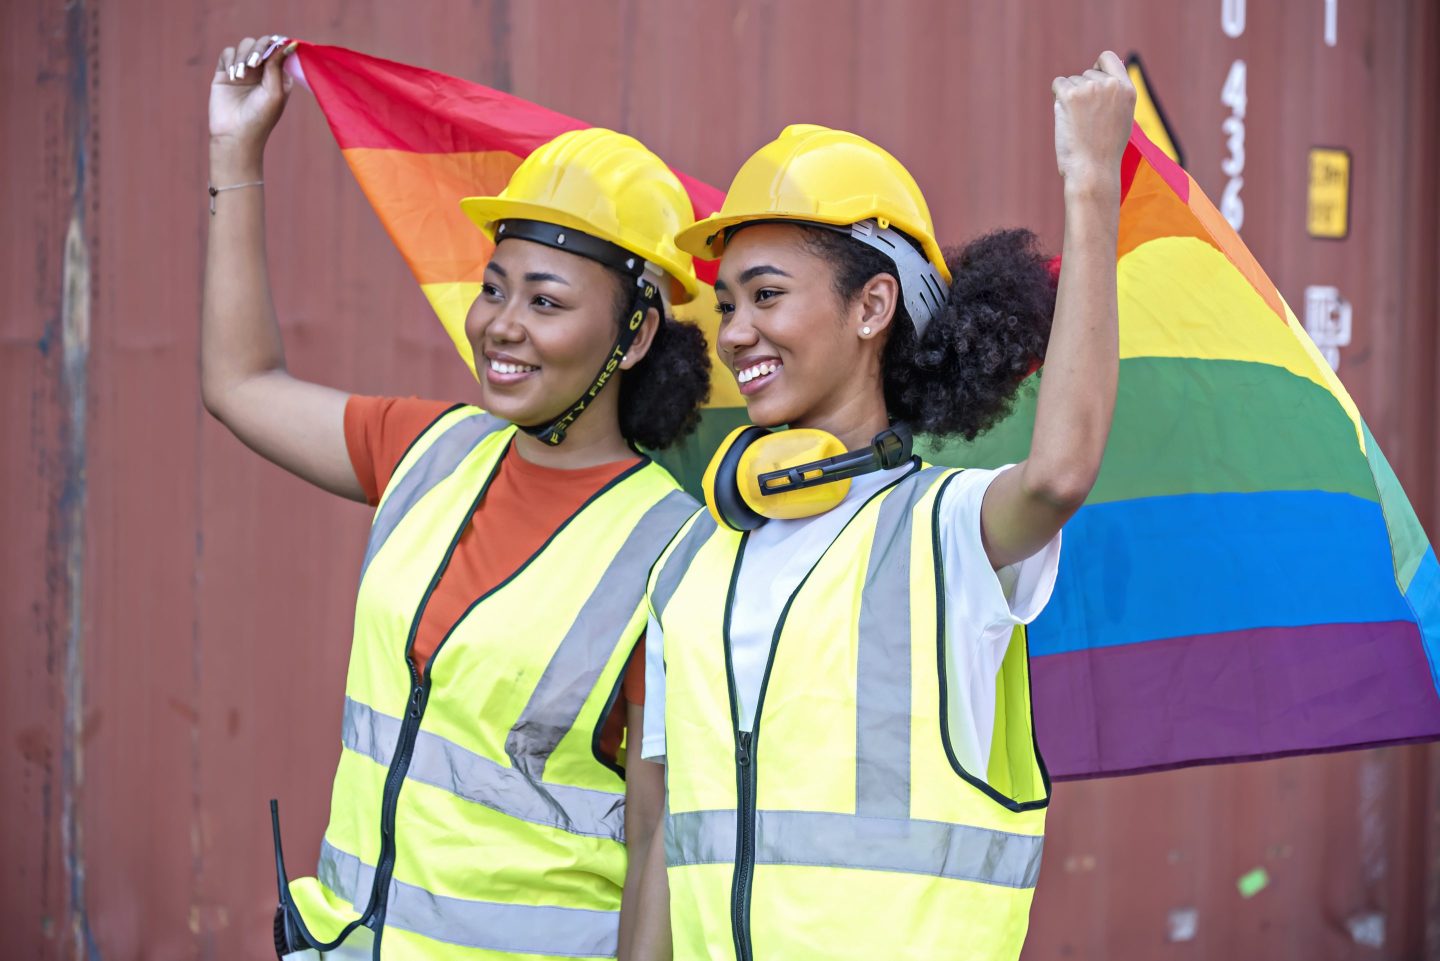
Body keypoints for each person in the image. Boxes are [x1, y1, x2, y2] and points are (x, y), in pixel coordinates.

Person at [203, 36, 711, 961]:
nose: (501, 326)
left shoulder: (678, 554)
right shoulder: (432, 449)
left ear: (633, 337)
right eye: (493, 288)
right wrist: (236, 155)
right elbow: (239, 385)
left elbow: (658, 841)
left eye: (547, 301)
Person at [632, 52, 1135, 961]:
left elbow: (1059, 474)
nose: (735, 330)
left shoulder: (950, 532)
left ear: (872, 307)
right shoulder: (689, 568)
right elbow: (662, 826)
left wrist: (1092, 187)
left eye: (767, 295)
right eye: (727, 302)